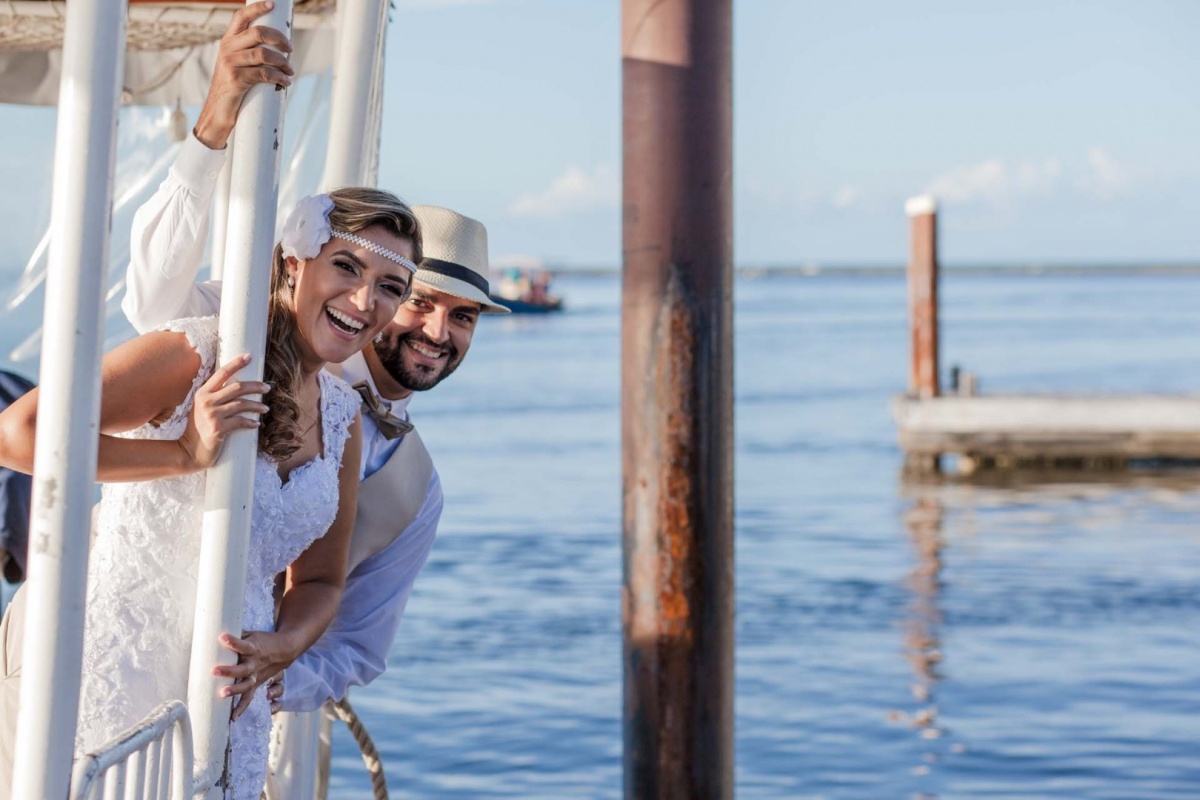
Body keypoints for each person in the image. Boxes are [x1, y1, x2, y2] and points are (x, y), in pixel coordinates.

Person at [117, 3, 511, 781]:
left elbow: (359, 645)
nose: (436, 330)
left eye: (463, 318)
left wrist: (264, 676)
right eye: (420, 299)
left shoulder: (418, 490)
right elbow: (152, 296)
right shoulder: (259, 336)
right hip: (115, 665)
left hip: (220, 722)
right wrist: (212, 131)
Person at [0, 186, 421, 798]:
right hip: (114, 678)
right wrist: (181, 454)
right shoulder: (199, 352)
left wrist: (283, 646)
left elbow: (322, 583)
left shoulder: (341, 417)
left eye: (390, 286)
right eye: (348, 267)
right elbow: (20, 433)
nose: (365, 300)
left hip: (227, 705)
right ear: (294, 262)